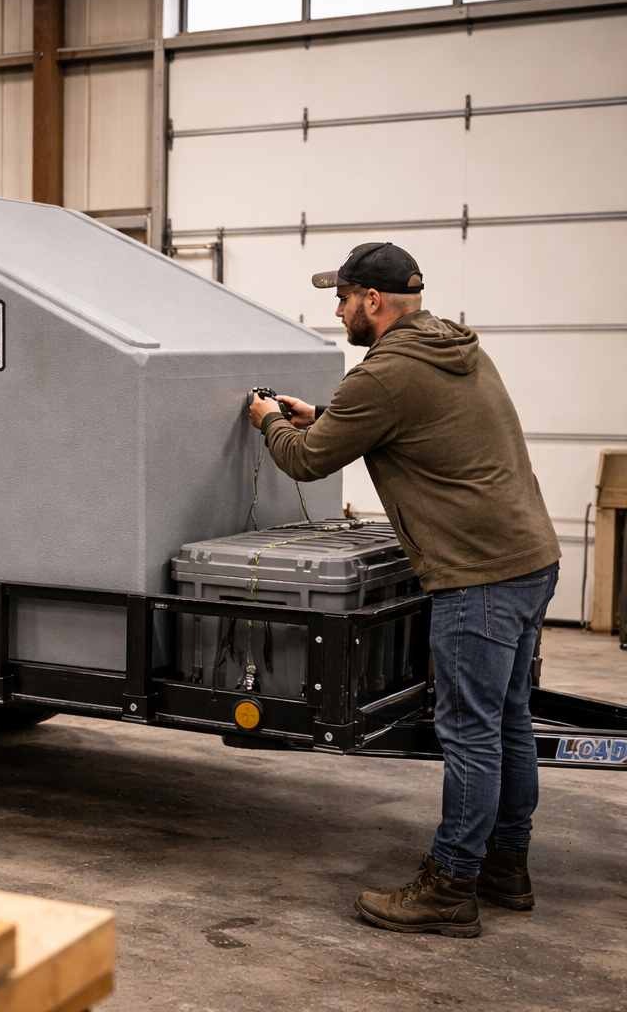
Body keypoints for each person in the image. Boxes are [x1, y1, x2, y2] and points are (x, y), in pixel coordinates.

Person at [245, 242, 560, 938]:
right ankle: (506, 866)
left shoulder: (382, 376)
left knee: (469, 735)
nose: (337, 310)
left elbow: (305, 460)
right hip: (531, 558)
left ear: (374, 302)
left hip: (477, 575)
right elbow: (406, 418)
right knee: (507, 723)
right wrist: (321, 411)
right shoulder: (456, 347)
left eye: (344, 298)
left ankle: (450, 888)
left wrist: (267, 420)